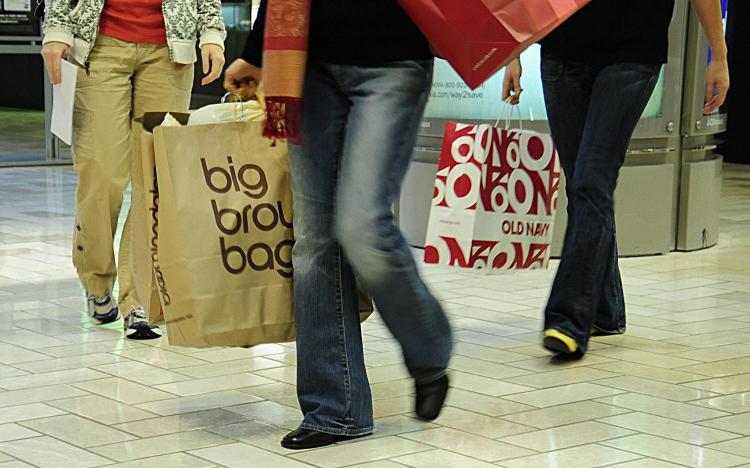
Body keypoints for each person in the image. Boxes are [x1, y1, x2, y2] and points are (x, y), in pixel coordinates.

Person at [224, 0, 453, 450]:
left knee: (363, 227)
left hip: (393, 59)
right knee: (314, 241)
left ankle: (428, 353)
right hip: (308, 64)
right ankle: (334, 411)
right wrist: (255, 51)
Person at [502, 0, 730, 356]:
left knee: (591, 182)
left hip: (632, 52)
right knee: (582, 187)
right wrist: (512, 51)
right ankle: (606, 311)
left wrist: (719, 54)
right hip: (561, 53)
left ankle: (567, 318)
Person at [41, 0, 226, 339]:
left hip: (170, 52)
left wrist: (212, 32)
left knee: (153, 180)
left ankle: (138, 299)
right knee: (102, 174)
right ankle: (97, 282)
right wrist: (57, 29)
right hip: (99, 45)